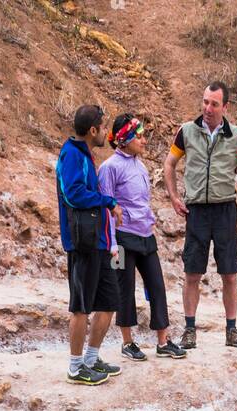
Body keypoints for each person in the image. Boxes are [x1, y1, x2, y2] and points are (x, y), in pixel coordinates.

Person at [163, 81, 237, 351]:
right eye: (205, 102)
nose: (207, 108)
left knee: (229, 273)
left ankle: (231, 330)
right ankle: (189, 330)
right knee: (192, 272)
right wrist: (174, 197)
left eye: (214, 104)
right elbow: (170, 163)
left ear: (225, 106)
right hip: (197, 210)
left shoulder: (235, 135)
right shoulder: (186, 131)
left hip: (225, 210)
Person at [98, 114, 185, 361]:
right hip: (122, 238)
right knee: (123, 288)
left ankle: (163, 340)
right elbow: (106, 208)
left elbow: (141, 201)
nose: (144, 141)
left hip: (145, 236)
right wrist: (111, 244)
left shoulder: (141, 165)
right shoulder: (109, 168)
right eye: (139, 136)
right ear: (124, 139)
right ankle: (128, 342)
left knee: (157, 285)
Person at [55, 103, 123, 384]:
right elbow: (73, 194)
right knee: (81, 306)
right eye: (103, 127)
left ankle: (92, 359)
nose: (106, 132)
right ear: (92, 130)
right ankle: (75, 366)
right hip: (82, 242)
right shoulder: (71, 154)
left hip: (99, 241)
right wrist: (108, 201)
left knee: (108, 302)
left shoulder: (86, 154)